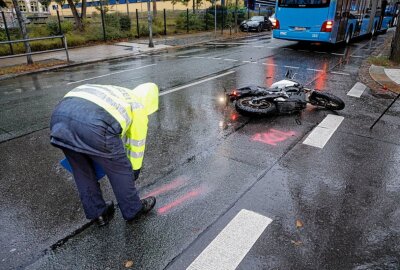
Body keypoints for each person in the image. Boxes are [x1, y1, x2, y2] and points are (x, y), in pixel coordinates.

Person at [50, 83, 159, 227]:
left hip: (59, 119)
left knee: (82, 170)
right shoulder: (139, 107)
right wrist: (134, 170)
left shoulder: (119, 93)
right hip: (94, 124)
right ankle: (133, 210)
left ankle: (98, 213)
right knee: (120, 168)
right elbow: (136, 145)